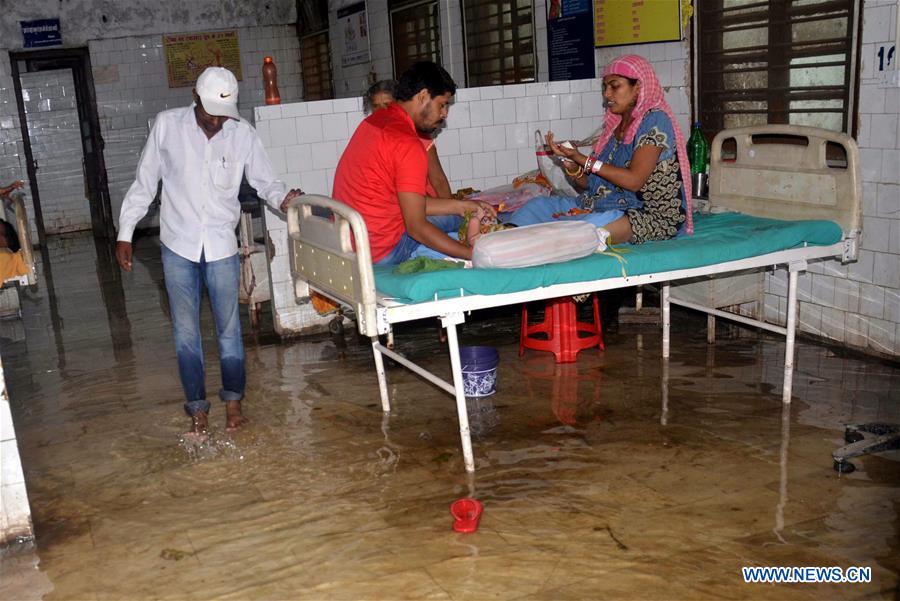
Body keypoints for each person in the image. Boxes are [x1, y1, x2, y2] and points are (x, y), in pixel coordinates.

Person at [115, 67, 302, 434]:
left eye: (223, 115)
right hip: (177, 245)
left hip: (220, 246)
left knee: (230, 330)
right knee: (185, 333)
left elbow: (267, 182)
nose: (217, 122)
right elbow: (144, 183)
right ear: (194, 98)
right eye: (210, 113)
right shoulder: (167, 127)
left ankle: (233, 404)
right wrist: (126, 232)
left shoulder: (242, 134)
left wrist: (285, 200)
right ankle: (198, 410)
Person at [506, 54, 694, 244]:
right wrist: (570, 163)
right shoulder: (615, 126)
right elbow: (590, 184)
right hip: (603, 205)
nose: (607, 94)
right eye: (605, 87)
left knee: (587, 229)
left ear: (638, 87)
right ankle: (503, 239)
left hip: (648, 215)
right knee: (536, 207)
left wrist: (582, 159)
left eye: (615, 85)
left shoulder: (655, 120)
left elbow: (634, 181)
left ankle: (529, 246)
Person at [334, 62, 492, 265]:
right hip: (381, 251)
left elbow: (406, 204)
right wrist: (469, 254)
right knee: (460, 220)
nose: (444, 114)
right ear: (423, 96)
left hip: (351, 242)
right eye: (442, 104)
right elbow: (416, 227)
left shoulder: (373, 123)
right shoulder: (408, 142)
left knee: (460, 211)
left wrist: (461, 204)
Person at [363, 79, 452, 199]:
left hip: (427, 203)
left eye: (387, 105)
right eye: (375, 106)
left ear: (398, 104)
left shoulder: (418, 136)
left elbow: (438, 180)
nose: (381, 112)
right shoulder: (373, 136)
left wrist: (452, 211)